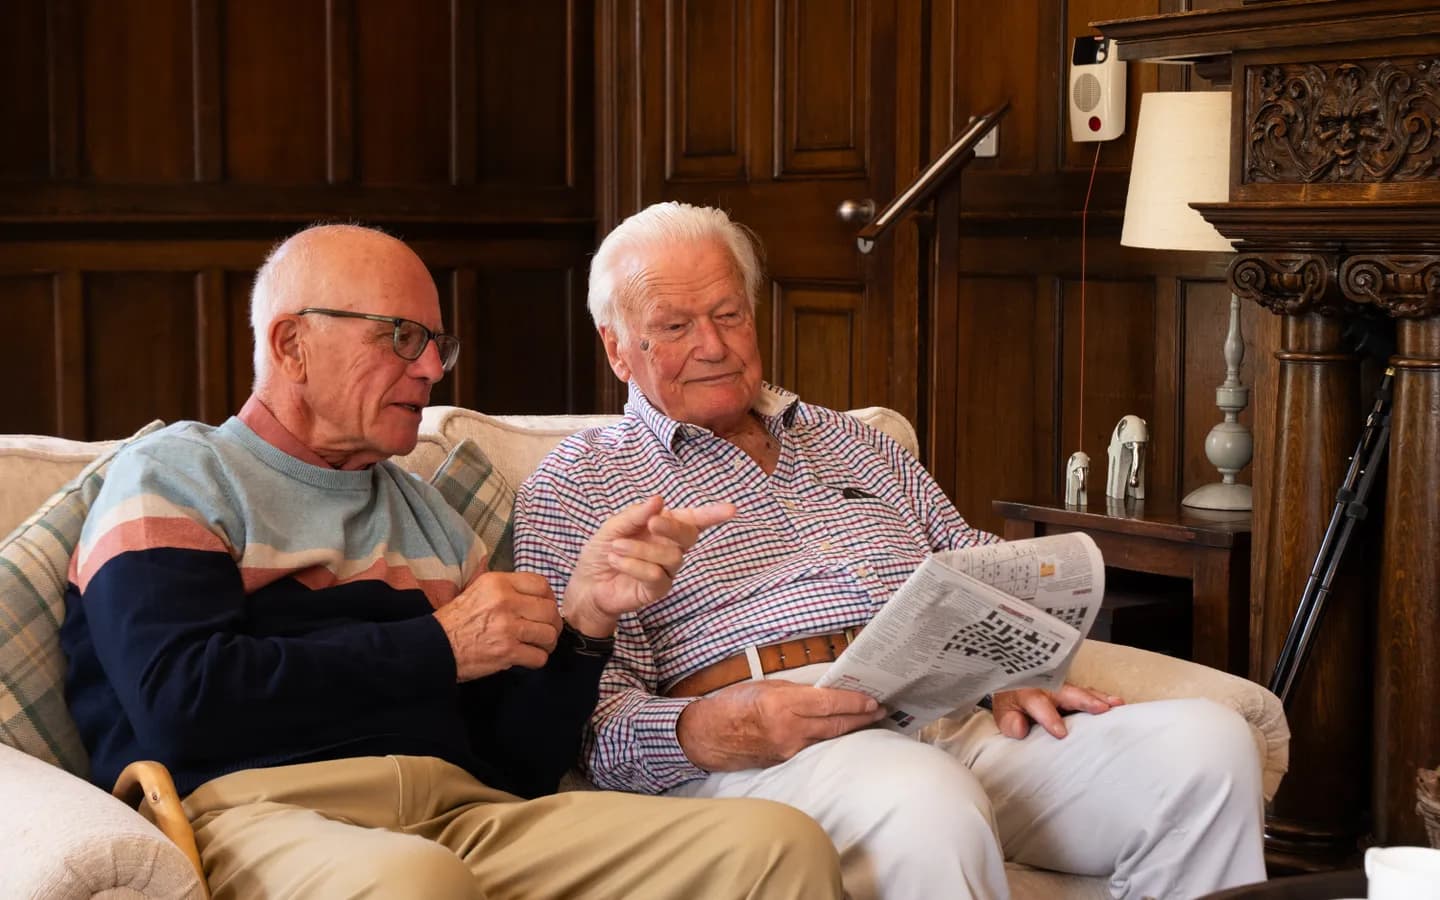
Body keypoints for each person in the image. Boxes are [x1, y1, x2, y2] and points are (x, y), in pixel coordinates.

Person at [60, 223, 845, 900]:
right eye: (400, 337)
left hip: (464, 816)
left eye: (437, 344)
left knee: (778, 844)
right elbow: (180, 698)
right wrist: (439, 646)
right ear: (292, 344)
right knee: (419, 882)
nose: (433, 369)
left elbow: (517, 764)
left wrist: (584, 624)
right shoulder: (178, 474)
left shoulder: (426, 512)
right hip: (257, 812)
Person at [513, 202, 1268, 900]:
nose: (712, 346)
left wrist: (1014, 660)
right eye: (674, 327)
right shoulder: (579, 482)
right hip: (772, 749)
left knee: (1207, 748)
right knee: (923, 799)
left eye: (728, 314)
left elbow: (976, 564)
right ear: (617, 348)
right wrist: (710, 729)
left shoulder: (857, 442)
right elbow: (586, 728)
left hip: (946, 708)